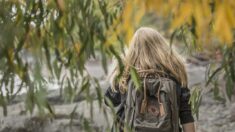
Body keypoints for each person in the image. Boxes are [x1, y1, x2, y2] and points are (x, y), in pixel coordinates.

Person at [104, 27, 195, 132]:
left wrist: (120, 69)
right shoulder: (174, 72)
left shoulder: (127, 74)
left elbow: (109, 100)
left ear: (133, 49)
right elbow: (186, 114)